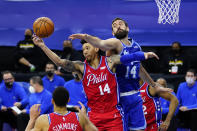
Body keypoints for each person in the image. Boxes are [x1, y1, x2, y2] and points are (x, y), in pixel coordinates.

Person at [32, 35, 157, 131]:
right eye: (83, 49)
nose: (84, 51)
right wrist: (43, 46)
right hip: (94, 116)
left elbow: (126, 57)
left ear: (96, 48)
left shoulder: (110, 61)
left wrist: (143, 55)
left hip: (114, 114)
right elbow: (60, 62)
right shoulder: (81, 67)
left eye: (87, 48)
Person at [69, 17, 164, 131]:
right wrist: (85, 37)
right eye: (115, 25)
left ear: (127, 28)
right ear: (113, 33)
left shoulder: (136, 46)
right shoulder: (114, 43)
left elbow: (140, 69)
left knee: (139, 129)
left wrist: (153, 84)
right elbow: (100, 43)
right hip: (119, 97)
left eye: (121, 24)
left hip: (135, 94)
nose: (118, 26)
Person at [25, 87, 98, 131]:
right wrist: (85, 117)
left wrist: (32, 120)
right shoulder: (79, 117)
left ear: (52, 101)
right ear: (68, 100)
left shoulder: (44, 119)